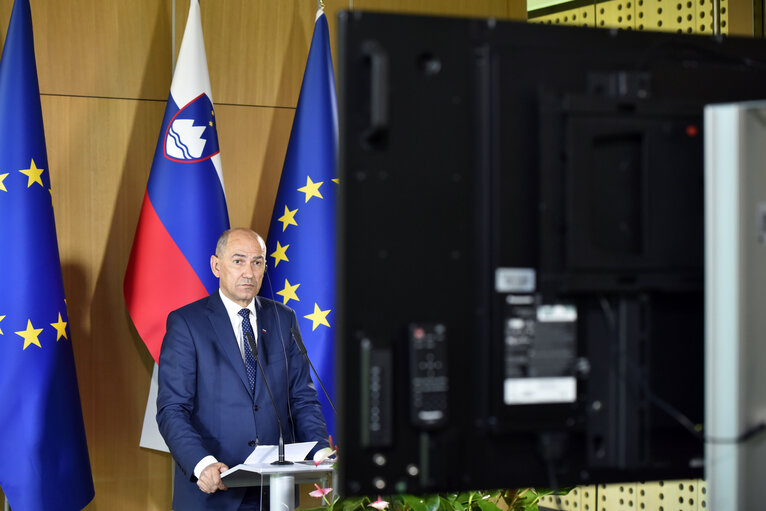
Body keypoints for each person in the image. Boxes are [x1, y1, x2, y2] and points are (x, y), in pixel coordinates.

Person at [157, 227, 329, 511]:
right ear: (216, 266)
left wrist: (321, 450)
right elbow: (172, 409)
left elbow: (302, 398)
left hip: (275, 490)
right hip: (215, 487)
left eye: (257, 262)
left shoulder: (283, 319)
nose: (248, 272)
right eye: (238, 261)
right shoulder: (187, 323)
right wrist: (203, 464)